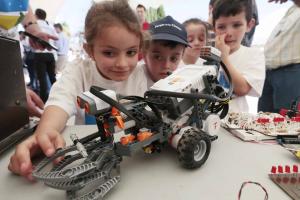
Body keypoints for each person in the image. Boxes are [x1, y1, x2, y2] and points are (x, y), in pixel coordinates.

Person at [8, 0, 147, 180]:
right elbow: (60, 101)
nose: (122, 64)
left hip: (133, 162)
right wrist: (46, 131)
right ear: (89, 50)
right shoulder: (79, 71)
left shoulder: (140, 74)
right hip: (89, 156)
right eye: (109, 53)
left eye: (131, 52)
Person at [212, 0, 265, 113]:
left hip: (235, 122)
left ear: (249, 25)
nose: (229, 32)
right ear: (214, 28)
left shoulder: (254, 54)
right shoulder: (208, 55)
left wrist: (224, 58)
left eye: (236, 25)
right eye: (221, 27)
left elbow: (242, 89)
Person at [258, 0, 300, 113]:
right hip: (269, 72)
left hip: (291, 72)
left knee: (286, 125)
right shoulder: (293, 9)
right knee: (262, 123)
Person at [141, 16, 190, 88]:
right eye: (158, 57)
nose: (166, 66)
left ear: (182, 56)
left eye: (173, 59)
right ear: (144, 55)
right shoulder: (129, 82)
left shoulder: (187, 81)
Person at [33, 8, 58, 103]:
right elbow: (56, 38)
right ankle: (58, 97)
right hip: (50, 54)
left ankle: (43, 102)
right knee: (52, 78)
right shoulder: (50, 26)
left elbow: (28, 42)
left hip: (39, 54)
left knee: (42, 79)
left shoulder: (35, 25)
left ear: (36, 15)